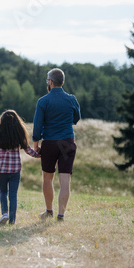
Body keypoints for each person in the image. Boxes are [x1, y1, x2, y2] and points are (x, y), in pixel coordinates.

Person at [32, 68, 81, 222]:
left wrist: (35, 144)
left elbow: (37, 125)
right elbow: (76, 118)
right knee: (65, 179)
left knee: (47, 177)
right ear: (63, 82)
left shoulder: (43, 101)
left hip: (50, 142)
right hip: (66, 142)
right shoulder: (71, 99)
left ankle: (49, 211)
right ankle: (61, 214)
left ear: (50, 82)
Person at [0, 110, 40, 225]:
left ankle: (5, 214)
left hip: (2, 170)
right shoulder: (19, 134)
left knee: (3, 192)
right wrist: (38, 155)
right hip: (15, 170)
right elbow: (28, 150)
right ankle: (12, 221)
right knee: (13, 195)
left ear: (2, 122)